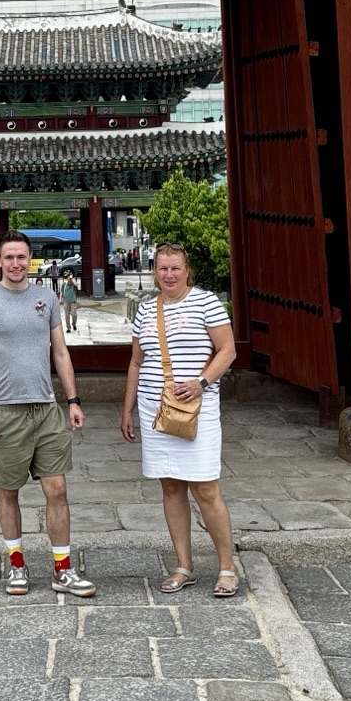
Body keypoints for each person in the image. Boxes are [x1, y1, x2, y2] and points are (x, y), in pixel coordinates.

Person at [0, 231, 97, 598]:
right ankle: (17, 564)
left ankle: (62, 569)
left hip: (46, 407)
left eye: (21, 257)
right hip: (5, 410)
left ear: (30, 259)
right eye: (9, 257)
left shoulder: (46, 298)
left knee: (58, 489)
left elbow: (60, 352)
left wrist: (73, 400)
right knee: (9, 490)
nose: (16, 264)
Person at [121, 242, 240, 597]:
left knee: (205, 487)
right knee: (170, 486)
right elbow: (137, 362)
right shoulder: (146, 309)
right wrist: (126, 409)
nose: (169, 275)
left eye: (175, 268)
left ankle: (227, 567)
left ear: (188, 271)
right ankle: (183, 565)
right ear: (154, 272)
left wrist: (202, 382)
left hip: (196, 407)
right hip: (155, 409)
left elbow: (227, 350)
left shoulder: (206, 302)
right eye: (162, 268)